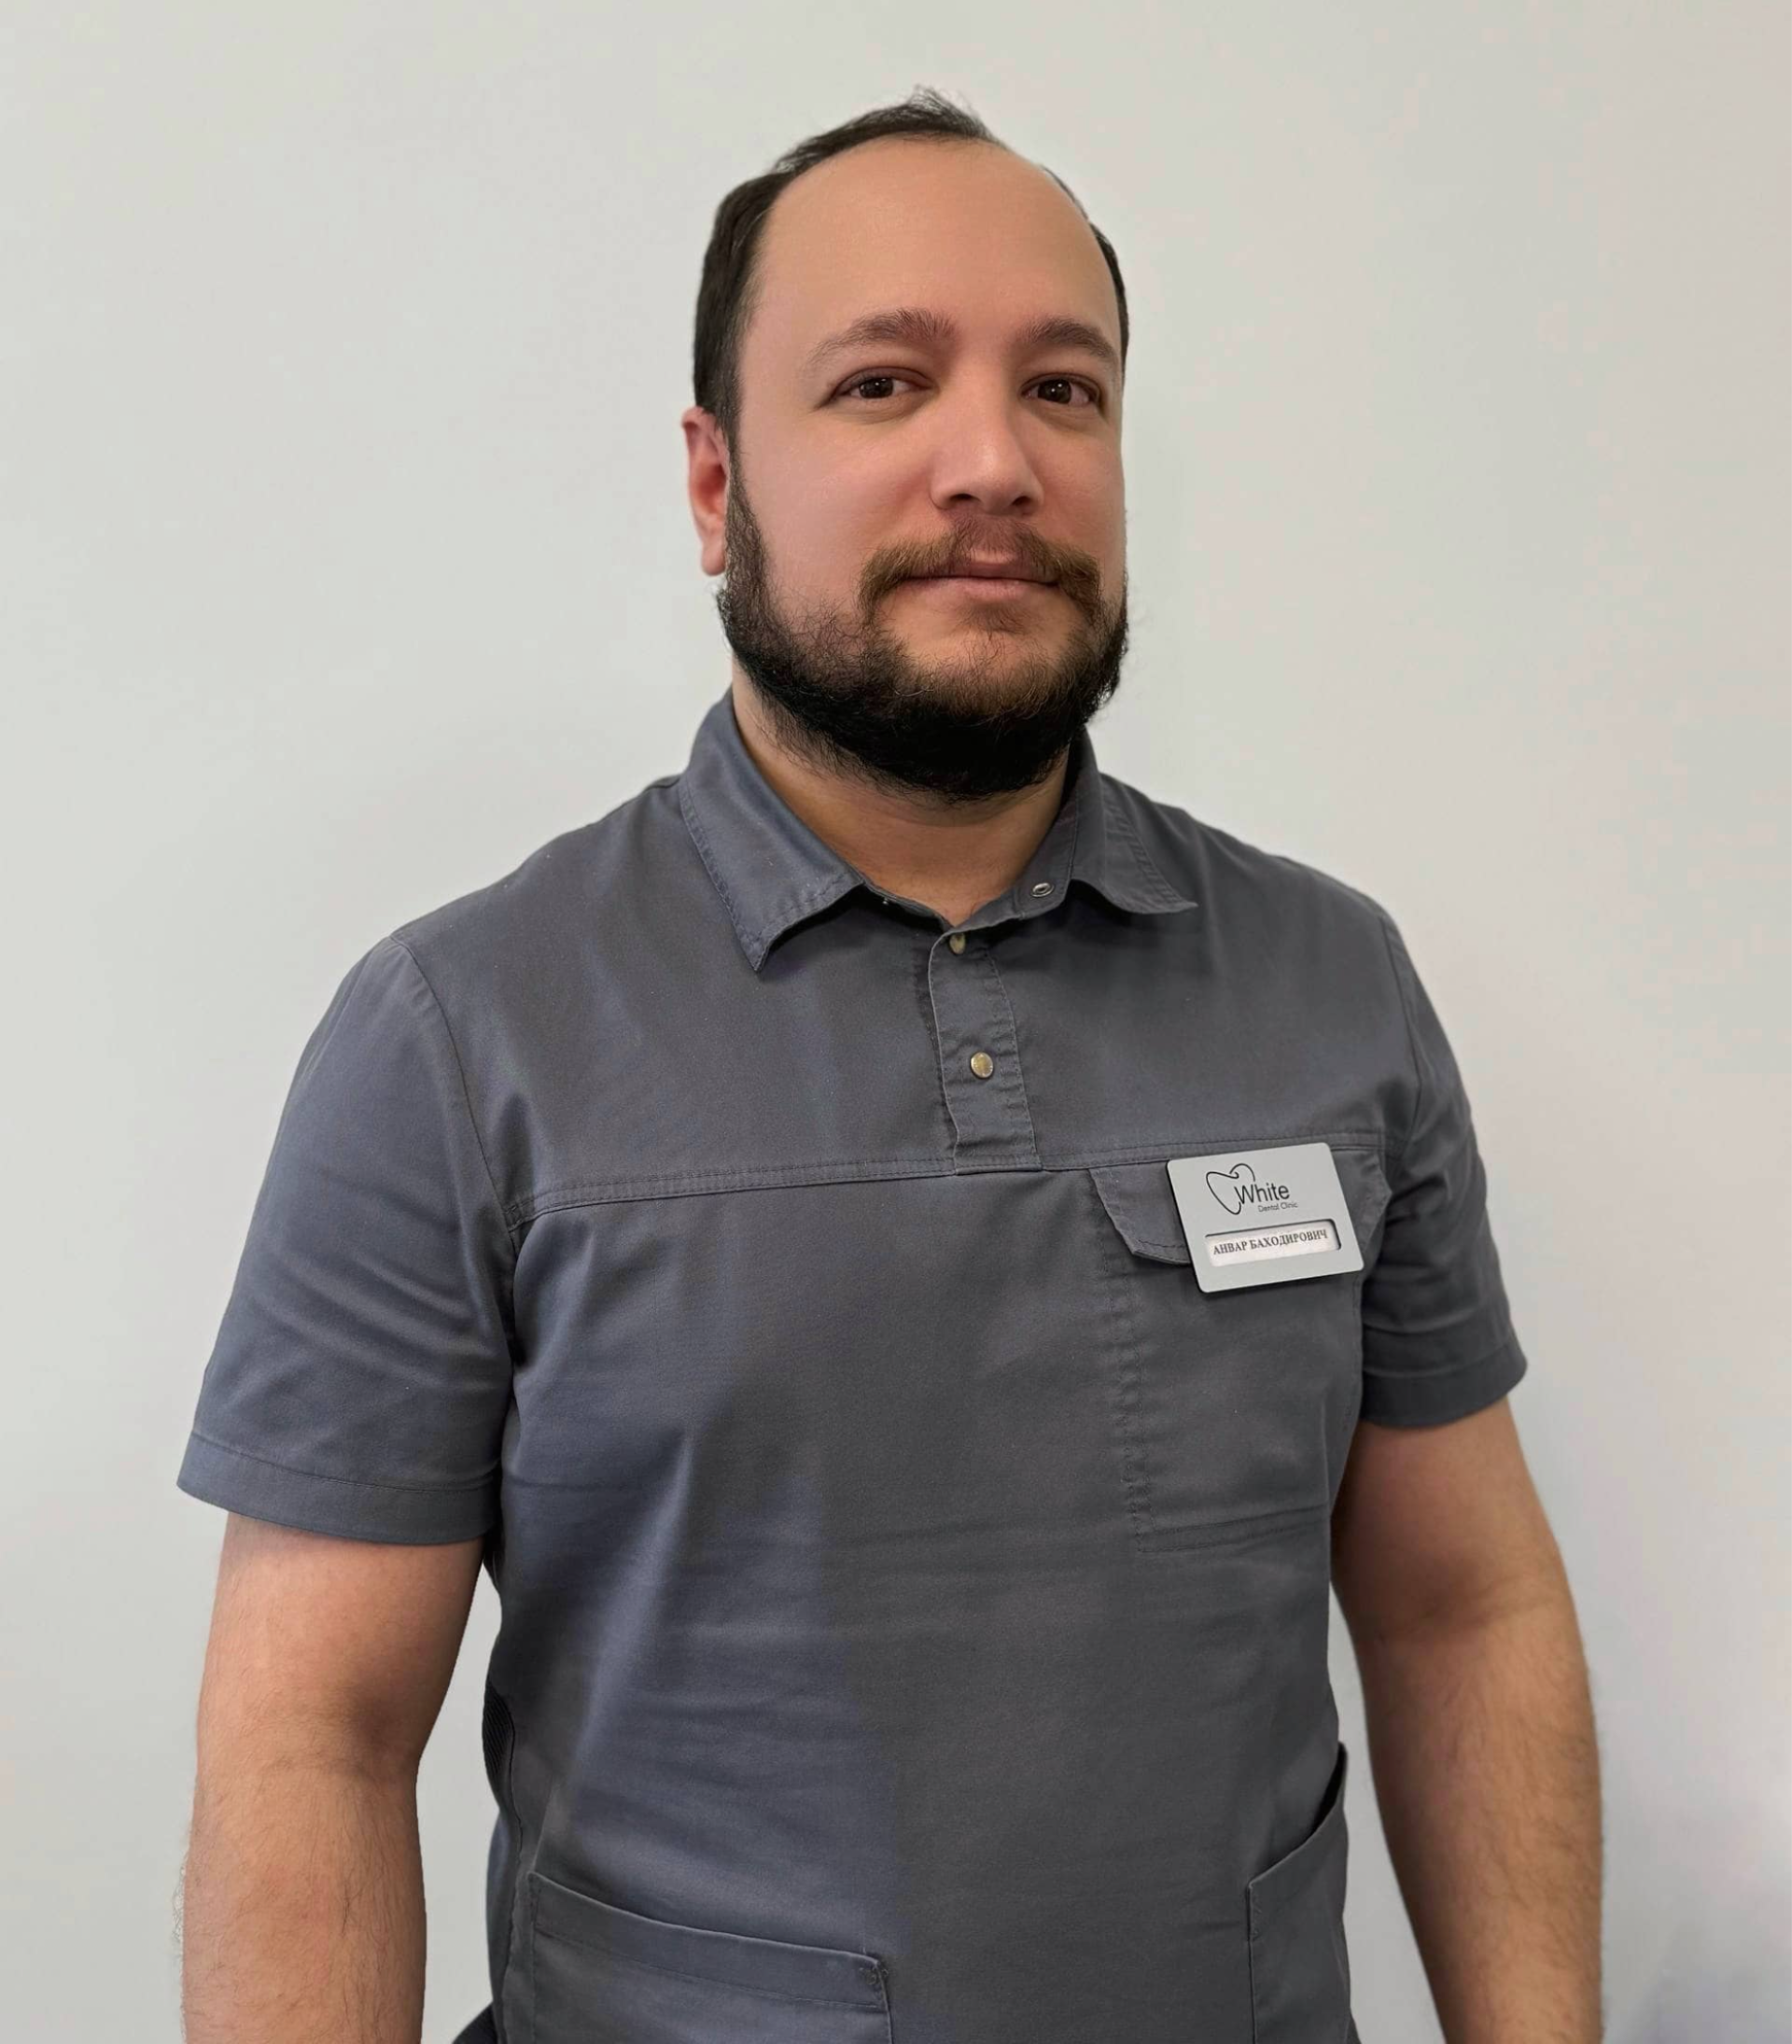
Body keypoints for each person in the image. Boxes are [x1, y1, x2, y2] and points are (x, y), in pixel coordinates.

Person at [175, 87, 1603, 2044]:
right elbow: (313, 1739)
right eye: (881, 386)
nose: (993, 463)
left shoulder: (1329, 987)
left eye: (1064, 389)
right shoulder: (460, 1034)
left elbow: (1463, 1609)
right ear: (714, 485)